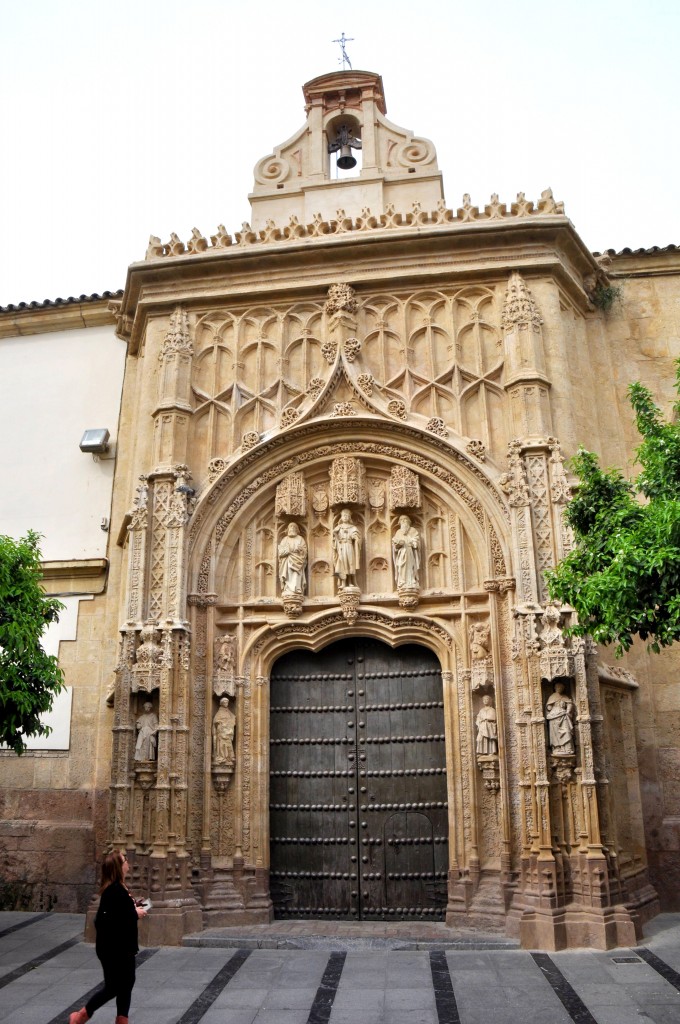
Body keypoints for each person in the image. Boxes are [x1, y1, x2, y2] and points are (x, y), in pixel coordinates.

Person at [69, 851, 147, 1024]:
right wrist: (134, 913)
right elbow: (110, 919)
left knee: (127, 983)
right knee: (114, 987)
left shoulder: (119, 888)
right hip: (113, 949)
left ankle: (122, 1020)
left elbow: (117, 912)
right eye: (125, 860)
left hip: (122, 947)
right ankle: (81, 1015)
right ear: (119, 867)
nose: (128, 862)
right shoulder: (114, 891)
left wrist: (133, 907)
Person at [332, 508, 361, 590]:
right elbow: (335, 538)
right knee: (342, 563)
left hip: (349, 546)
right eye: (344, 515)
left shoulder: (353, 527)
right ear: (341, 517)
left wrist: (355, 537)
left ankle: (351, 582)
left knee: (350, 563)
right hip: (341, 547)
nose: (345, 517)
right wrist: (336, 536)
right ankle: (343, 582)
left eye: (347, 515)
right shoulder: (339, 527)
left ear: (350, 518)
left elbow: (356, 536)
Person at [545, 680, 575, 754]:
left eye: (561, 687)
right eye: (558, 687)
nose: (559, 688)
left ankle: (567, 748)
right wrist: (551, 704)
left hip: (563, 715)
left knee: (567, 731)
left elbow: (569, 704)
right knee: (555, 734)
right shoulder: (552, 696)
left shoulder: (565, 696)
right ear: (555, 688)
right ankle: (557, 748)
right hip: (554, 717)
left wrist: (568, 710)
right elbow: (549, 708)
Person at [277, 522, 308, 595]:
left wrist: (301, 549)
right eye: (290, 527)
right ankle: (287, 589)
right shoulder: (285, 539)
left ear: (297, 529)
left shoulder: (300, 539)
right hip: (287, 560)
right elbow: (280, 552)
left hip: (298, 561)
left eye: (294, 527)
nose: (292, 528)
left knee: (296, 574)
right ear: (288, 529)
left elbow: (304, 551)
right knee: (288, 575)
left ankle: (297, 589)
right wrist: (286, 551)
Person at [392, 514, 420, 588]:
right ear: (399, 522)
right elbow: (395, 543)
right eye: (401, 520)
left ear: (409, 521)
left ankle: (412, 580)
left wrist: (412, 542)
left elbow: (416, 540)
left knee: (411, 566)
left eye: (405, 519)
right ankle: (402, 580)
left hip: (410, 551)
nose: (404, 521)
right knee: (401, 565)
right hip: (401, 552)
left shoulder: (413, 530)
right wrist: (398, 543)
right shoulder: (398, 532)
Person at [212, 696, 236, 765]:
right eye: (225, 702)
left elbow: (233, 718)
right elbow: (215, 720)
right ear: (222, 703)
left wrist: (229, 723)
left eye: (227, 702)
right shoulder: (219, 712)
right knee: (222, 745)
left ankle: (229, 757)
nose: (226, 703)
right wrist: (221, 723)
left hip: (228, 731)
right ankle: (222, 757)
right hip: (221, 731)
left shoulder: (228, 711)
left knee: (228, 744)